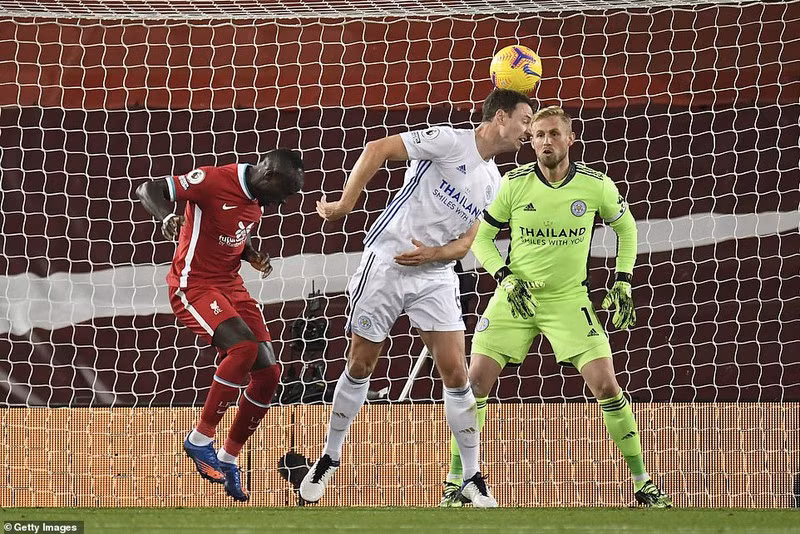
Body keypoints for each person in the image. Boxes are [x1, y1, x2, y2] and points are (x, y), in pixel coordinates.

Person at [299, 89, 535, 508]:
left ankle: (471, 476)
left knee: (456, 374)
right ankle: (329, 457)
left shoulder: (495, 184)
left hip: (435, 274)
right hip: (387, 263)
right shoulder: (448, 140)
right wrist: (343, 205)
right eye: (525, 119)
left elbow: (467, 244)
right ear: (500, 117)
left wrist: (434, 255)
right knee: (360, 363)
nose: (528, 131)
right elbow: (377, 149)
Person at [439, 106, 673, 508]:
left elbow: (626, 227)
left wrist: (623, 279)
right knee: (472, 384)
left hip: (568, 300)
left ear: (569, 139)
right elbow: (481, 238)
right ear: (530, 141)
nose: (546, 141)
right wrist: (505, 277)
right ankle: (456, 483)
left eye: (553, 134)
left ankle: (643, 482)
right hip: (516, 297)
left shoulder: (595, 186)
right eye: (539, 135)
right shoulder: (512, 185)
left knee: (606, 386)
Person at [135, 150, 304, 502]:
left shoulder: (256, 202)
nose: (283, 202)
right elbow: (148, 189)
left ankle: (228, 458)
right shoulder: (213, 180)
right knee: (242, 348)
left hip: (230, 285)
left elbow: (229, 235)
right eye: (284, 192)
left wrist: (251, 254)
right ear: (269, 174)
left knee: (269, 374)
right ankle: (200, 440)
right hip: (193, 284)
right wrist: (166, 216)